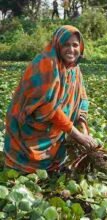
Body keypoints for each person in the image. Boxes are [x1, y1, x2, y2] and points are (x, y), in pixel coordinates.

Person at [3, 25, 98, 173]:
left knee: (54, 172)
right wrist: (76, 134)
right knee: (22, 172)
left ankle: (52, 167)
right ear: (57, 44)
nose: (71, 50)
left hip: (54, 130)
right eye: (66, 44)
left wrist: (82, 124)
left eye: (75, 45)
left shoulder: (74, 68)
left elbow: (82, 98)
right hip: (27, 127)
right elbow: (47, 107)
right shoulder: (45, 64)